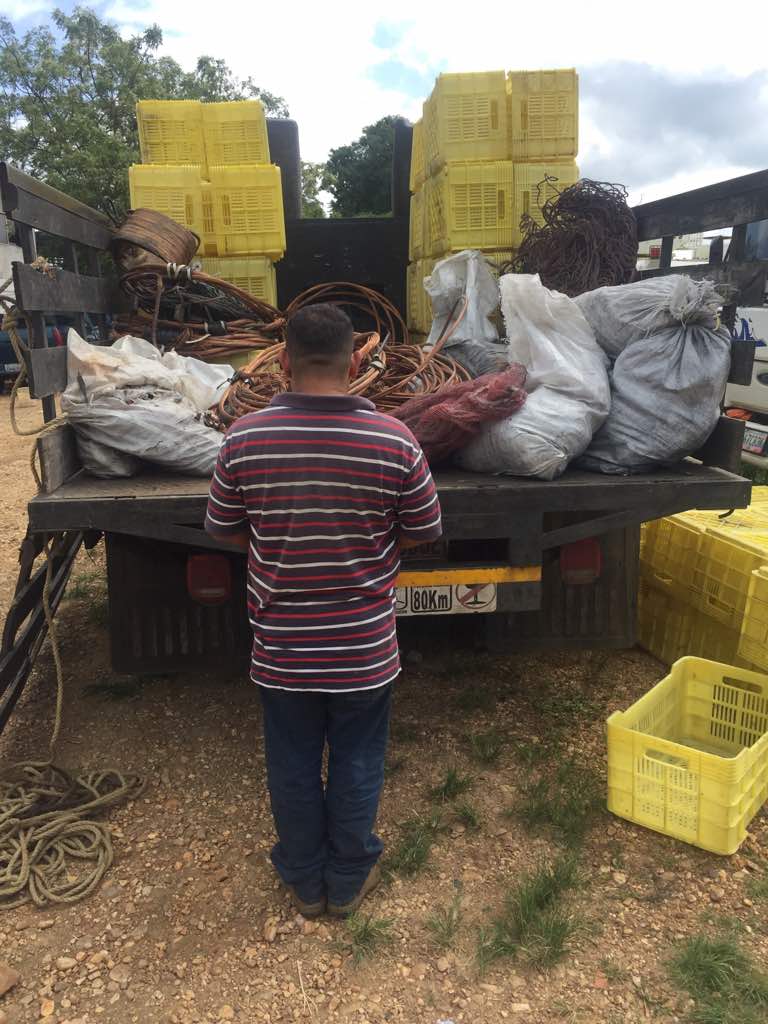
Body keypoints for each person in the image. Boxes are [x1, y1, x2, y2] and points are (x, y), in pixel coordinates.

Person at [205, 304, 442, 918]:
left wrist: (275, 547)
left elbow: (226, 530)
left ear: (282, 361)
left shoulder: (244, 439)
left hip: (281, 648)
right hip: (364, 649)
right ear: (357, 362)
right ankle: (347, 878)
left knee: (291, 763)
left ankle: (305, 881)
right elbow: (424, 530)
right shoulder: (396, 440)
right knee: (359, 760)